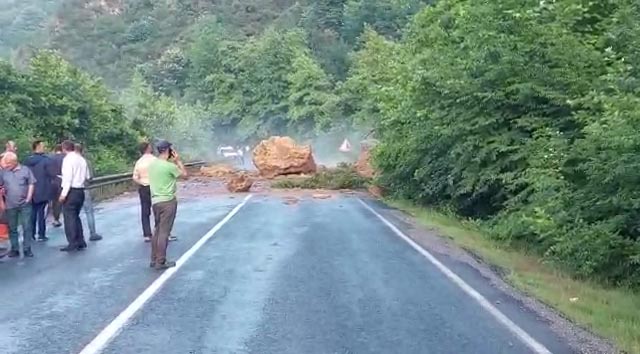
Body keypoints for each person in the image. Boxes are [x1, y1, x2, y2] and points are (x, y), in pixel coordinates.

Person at [148, 140, 187, 269]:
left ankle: (153, 259)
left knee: (157, 230)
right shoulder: (169, 166)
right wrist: (178, 161)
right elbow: (185, 175)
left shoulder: (152, 165)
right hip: (168, 201)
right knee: (164, 232)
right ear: (167, 150)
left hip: (155, 202)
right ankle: (161, 261)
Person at [0, 152, 36, 258]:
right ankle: (14, 249)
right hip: (10, 204)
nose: (6, 165)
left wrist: (29, 197)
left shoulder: (25, 170)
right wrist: (1, 203)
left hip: (25, 203)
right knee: (12, 227)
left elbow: (31, 183)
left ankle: (27, 248)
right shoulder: (3, 172)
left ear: (15, 162)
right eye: (5, 163)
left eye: (9, 163)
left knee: (27, 226)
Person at [59, 140, 88, 252]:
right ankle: (81, 240)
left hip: (71, 190)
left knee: (69, 217)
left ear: (64, 148)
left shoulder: (67, 160)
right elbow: (86, 175)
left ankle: (72, 242)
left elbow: (68, 178)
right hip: (80, 190)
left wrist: (63, 194)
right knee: (76, 216)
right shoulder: (81, 159)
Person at [24, 140, 52, 242]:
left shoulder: (27, 161)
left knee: (32, 213)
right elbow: (51, 174)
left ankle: (31, 234)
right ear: (38, 147)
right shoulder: (46, 160)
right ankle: (41, 234)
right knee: (42, 213)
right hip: (43, 190)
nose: (44, 148)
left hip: (30, 191)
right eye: (43, 146)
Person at [75, 143, 102, 241]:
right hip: (85, 189)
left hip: (73, 190)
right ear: (82, 151)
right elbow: (90, 177)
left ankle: (77, 236)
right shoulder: (86, 162)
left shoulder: (68, 161)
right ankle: (93, 233)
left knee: (74, 214)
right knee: (89, 212)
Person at [133, 142, 156, 242]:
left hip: (144, 188)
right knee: (158, 209)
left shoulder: (139, 162)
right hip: (155, 186)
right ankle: (161, 231)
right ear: (148, 148)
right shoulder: (155, 160)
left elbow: (134, 177)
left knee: (145, 211)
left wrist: (142, 183)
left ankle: (147, 234)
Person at [47, 144, 64, 227]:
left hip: (53, 181)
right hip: (64, 180)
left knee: (55, 201)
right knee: (64, 199)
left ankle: (56, 219)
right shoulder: (65, 157)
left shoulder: (50, 158)